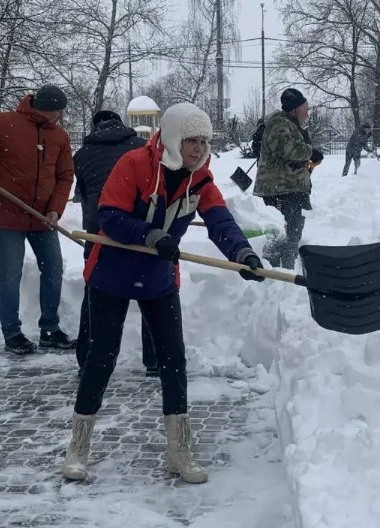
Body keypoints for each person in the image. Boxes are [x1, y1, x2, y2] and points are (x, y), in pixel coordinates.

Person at [62, 102, 265, 484]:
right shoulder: (135, 164)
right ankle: (78, 447)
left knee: (174, 361)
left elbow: (220, 219)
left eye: (204, 141)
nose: (198, 148)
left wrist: (242, 254)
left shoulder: (200, 178)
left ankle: (179, 451)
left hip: (158, 278)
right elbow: (109, 215)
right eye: (191, 140)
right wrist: (149, 234)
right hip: (112, 273)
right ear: (172, 137)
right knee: (100, 359)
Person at [0, 85, 76, 355]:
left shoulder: (59, 137)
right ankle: (12, 333)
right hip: (7, 212)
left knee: (53, 268)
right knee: (11, 273)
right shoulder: (4, 123)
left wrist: (55, 210)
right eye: (59, 111)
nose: (61, 116)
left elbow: (65, 176)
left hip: (43, 217)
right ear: (48, 108)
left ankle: (50, 329)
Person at [71, 109, 155, 376]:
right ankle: (155, 359)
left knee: (95, 293)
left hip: (101, 231)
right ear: (121, 124)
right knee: (151, 292)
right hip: (140, 228)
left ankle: (88, 360)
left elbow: (83, 195)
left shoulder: (83, 154)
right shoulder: (142, 146)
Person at [253, 88, 323, 269]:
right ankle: (274, 273)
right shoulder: (278, 124)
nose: (308, 112)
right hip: (279, 190)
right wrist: (310, 152)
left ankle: (287, 267)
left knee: (292, 232)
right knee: (280, 234)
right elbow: (286, 148)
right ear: (296, 108)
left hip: (290, 189)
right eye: (305, 108)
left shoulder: (292, 125)